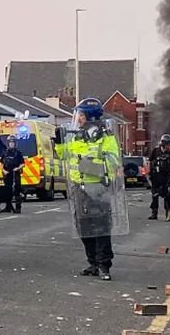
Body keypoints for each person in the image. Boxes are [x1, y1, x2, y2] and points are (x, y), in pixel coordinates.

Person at [55, 98, 122, 281]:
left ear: (91, 117)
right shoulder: (77, 135)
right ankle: (92, 262)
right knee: (83, 227)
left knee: (101, 227)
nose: (78, 119)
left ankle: (103, 265)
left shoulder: (106, 137)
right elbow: (64, 156)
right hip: (79, 188)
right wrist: (59, 142)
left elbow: (113, 161)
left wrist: (89, 164)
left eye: (81, 115)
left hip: (98, 188)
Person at [148, 134, 170, 220]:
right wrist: (148, 172)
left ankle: (168, 214)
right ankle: (154, 213)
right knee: (154, 195)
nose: (169, 146)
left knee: (167, 196)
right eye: (168, 144)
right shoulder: (155, 151)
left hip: (166, 177)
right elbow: (149, 161)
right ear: (163, 144)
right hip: (156, 176)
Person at [0, 135, 25, 213]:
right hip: (7, 174)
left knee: (17, 190)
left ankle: (18, 207)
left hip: (15, 173)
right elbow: (0, 163)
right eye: (10, 143)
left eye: (13, 143)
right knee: (7, 191)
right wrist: (3, 170)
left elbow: (23, 163)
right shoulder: (5, 152)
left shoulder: (18, 153)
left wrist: (18, 168)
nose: (11, 144)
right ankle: (8, 207)